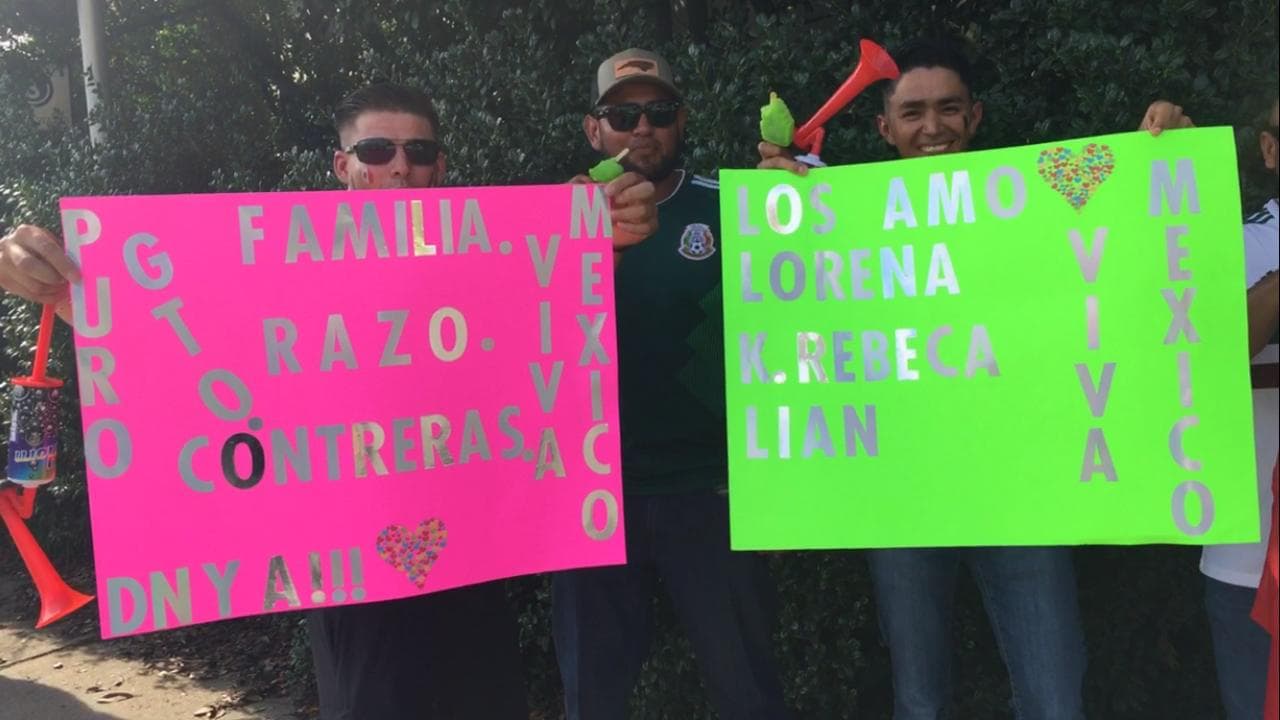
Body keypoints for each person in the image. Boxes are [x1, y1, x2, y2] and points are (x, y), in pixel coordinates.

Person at [0, 81, 659, 720]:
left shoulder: (488, 260)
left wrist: (602, 248)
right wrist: (70, 289)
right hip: (351, 583)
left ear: (441, 167)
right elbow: (190, 336)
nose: (400, 168)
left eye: (419, 152)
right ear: (343, 166)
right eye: (377, 152)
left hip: (471, 570)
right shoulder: (282, 275)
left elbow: (555, 334)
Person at [761, 37, 1088, 720]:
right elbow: (803, 326)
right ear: (884, 128)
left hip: (1021, 493)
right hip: (903, 496)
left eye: (947, 109)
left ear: (976, 116)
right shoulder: (845, 222)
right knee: (919, 701)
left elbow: (1116, 238)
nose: (931, 127)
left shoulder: (1033, 204)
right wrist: (783, 208)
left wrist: (1163, 152)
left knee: (1055, 698)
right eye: (912, 113)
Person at [551, 48, 791, 720]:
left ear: (681, 122)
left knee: (748, 691)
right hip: (593, 497)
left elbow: (818, 281)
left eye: (658, 112)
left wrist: (801, 197)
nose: (642, 127)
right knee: (592, 697)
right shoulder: (548, 222)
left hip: (710, 490)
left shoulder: (730, 208)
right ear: (594, 130)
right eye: (622, 113)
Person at [1141, 95, 1279, 720]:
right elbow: (1198, 351)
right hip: (1252, 566)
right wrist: (1180, 167)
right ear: (1270, 150)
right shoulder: (1238, 245)